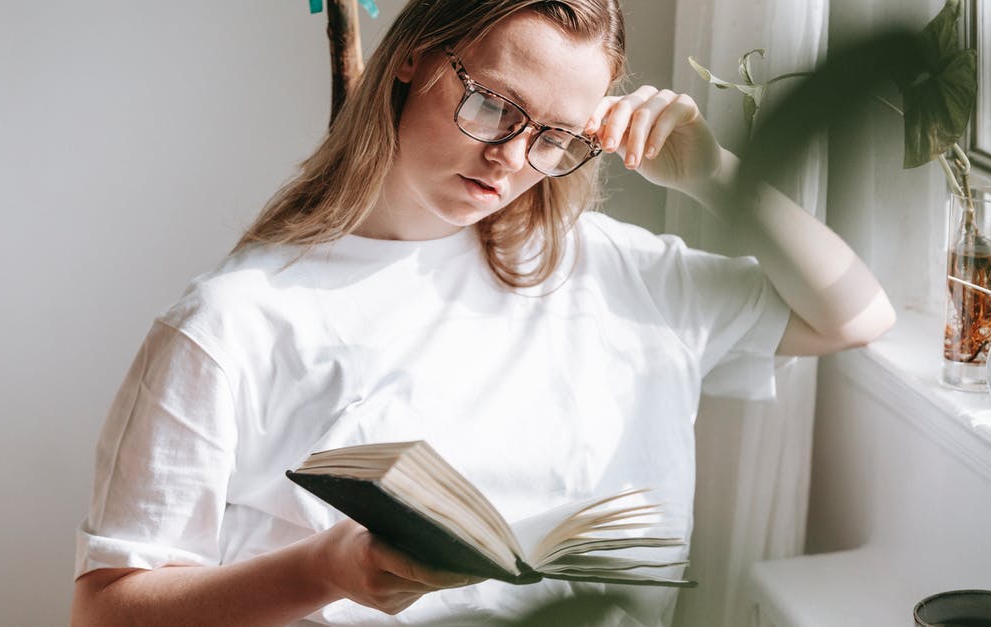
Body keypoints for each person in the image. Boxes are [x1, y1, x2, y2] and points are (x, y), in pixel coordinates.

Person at [70, 0, 895, 625]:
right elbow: (107, 610)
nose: (510, 157)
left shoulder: (606, 271)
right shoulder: (236, 322)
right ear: (416, 58)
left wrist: (716, 176)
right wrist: (324, 570)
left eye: (555, 135)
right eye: (493, 104)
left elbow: (855, 314)